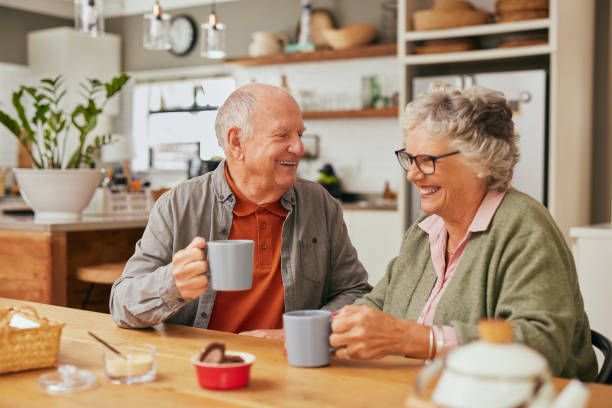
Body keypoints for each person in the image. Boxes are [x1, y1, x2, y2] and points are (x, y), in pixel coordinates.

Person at [330, 82, 597, 380]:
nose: (412, 175)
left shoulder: (525, 229)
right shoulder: (425, 230)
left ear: (481, 161)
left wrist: (414, 339)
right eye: (409, 159)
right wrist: (326, 327)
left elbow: (541, 346)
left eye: (427, 161)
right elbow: (380, 303)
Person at [110, 83, 371, 339]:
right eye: (283, 135)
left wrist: (299, 332)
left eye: (299, 135)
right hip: (201, 365)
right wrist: (171, 284)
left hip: (291, 363)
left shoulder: (319, 204)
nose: (299, 148)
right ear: (236, 142)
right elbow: (122, 306)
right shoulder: (178, 205)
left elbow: (356, 292)